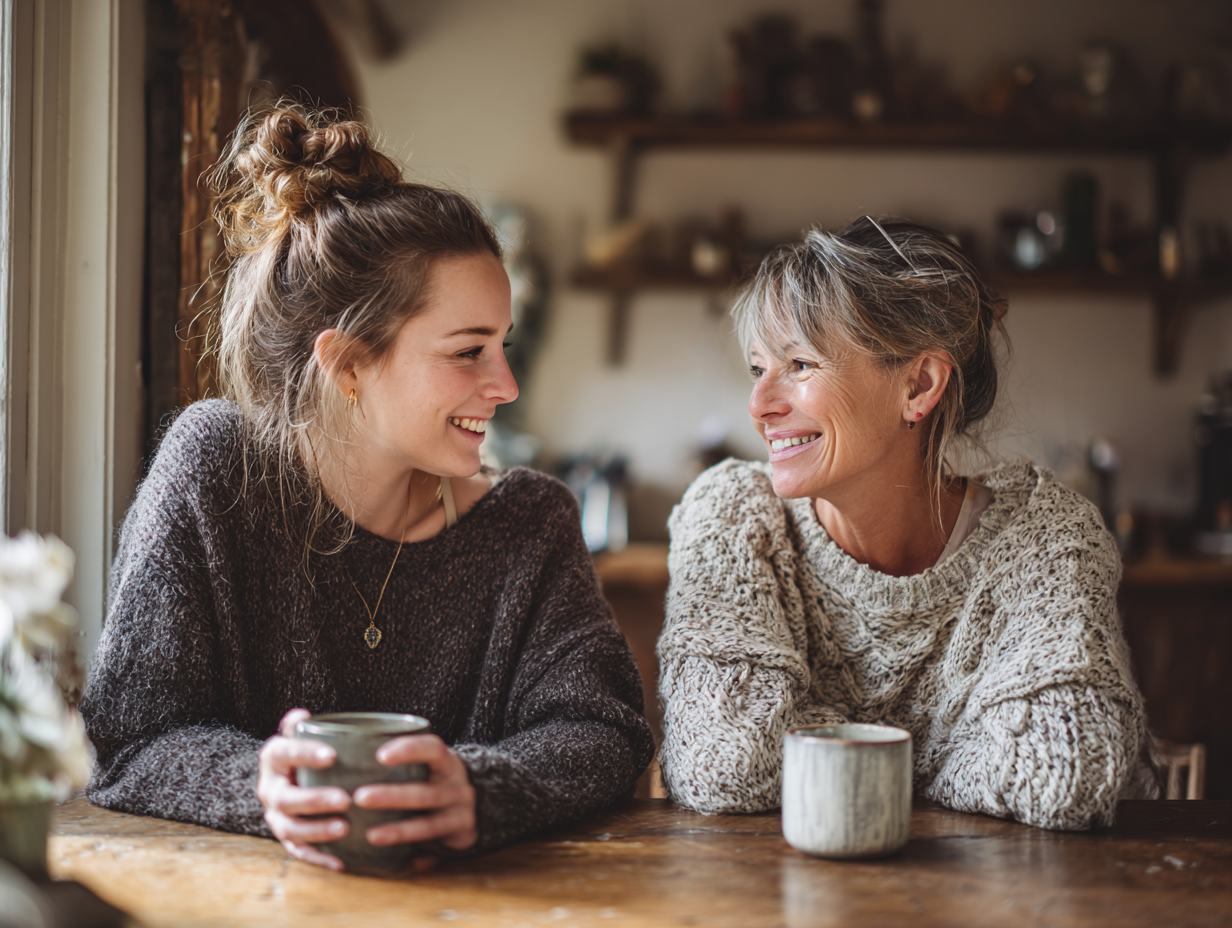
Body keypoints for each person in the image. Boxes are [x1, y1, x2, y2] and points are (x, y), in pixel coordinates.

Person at [80, 105, 653, 870]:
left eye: (502, 345)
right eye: (468, 351)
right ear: (348, 363)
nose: (506, 384)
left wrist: (482, 789)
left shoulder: (529, 522)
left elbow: (606, 731)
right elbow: (129, 737)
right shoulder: (213, 471)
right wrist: (264, 786)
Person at [657, 218, 1152, 830]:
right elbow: (724, 762)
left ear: (918, 386)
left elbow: (1063, 772)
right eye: (759, 369)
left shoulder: (1043, 535)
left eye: (801, 364)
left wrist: (825, 750)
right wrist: (950, 742)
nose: (760, 406)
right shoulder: (731, 514)